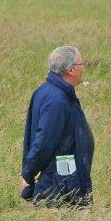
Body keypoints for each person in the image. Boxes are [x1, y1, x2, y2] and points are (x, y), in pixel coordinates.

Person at [20, 45, 95, 206]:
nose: (83, 69)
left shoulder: (54, 93)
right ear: (71, 70)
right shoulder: (56, 100)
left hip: (64, 181)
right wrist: (28, 174)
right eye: (81, 64)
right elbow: (43, 142)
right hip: (59, 186)